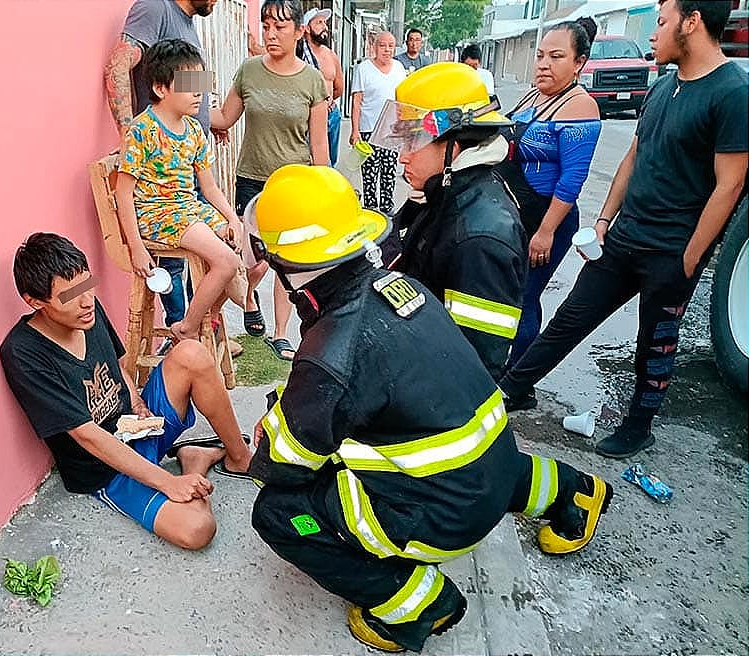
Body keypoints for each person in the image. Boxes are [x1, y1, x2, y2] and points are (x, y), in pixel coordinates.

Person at [242, 164, 613, 653]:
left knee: (278, 513)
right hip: (498, 467)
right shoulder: (401, 290)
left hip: (444, 516)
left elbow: (286, 463)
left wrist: (268, 435)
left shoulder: (331, 352)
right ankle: (574, 494)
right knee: (469, 455)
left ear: (281, 261)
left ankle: (415, 604)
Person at [499, 0, 748, 459]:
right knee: (569, 319)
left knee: (654, 344)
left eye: (661, 23)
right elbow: (634, 157)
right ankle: (511, 389)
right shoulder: (663, 86)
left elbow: (730, 185)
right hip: (623, 238)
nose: (653, 35)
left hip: (672, 250)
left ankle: (638, 425)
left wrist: (691, 258)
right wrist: (604, 219)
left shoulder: (733, 93)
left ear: (691, 23)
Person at [0, 233, 253, 549]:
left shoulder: (87, 310)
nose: (86, 300)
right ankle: (194, 460)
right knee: (197, 530)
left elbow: (117, 363)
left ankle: (240, 459)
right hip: (106, 468)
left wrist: (135, 399)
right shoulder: (23, 353)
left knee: (192, 353)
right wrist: (169, 482)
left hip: (136, 426)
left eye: (85, 284)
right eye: (70, 295)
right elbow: (86, 435)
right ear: (35, 301)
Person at [371, 62, 526, 381]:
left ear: (454, 144)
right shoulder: (443, 192)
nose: (402, 157)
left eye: (413, 142)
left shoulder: (481, 239)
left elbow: (473, 367)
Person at [105, 0, 235, 353]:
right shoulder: (155, 8)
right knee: (206, 263)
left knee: (240, 254)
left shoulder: (189, 24)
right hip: (162, 206)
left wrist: (210, 122)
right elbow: (117, 65)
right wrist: (128, 132)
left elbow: (196, 92)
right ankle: (186, 329)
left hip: (187, 188)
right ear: (162, 88)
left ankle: (206, 321)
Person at [211, 0, 329, 362]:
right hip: (251, 178)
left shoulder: (313, 80)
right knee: (252, 262)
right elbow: (223, 117)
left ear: (298, 31)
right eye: (266, 26)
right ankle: (248, 297)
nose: (271, 33)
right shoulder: (248, 71)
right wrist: (187, 98)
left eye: (280, 26)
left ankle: (281, 333)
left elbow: (319, 143)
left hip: (292, 184)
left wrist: (323, 189)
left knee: (287, 262)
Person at [500, 19, 602, 372]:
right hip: (518, 211)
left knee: (527, 297)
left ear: (579, 62)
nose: (543, 63)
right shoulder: (534, 95)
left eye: (556, 56)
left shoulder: (581, 107)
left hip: (548, 218)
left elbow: (573, 179)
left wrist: (545, 232)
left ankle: (518, 380)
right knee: (508, 294)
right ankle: (502, 368)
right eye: (540, 55)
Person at [349, 32, 407, 216]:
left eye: (391, 46)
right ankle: (371, 212)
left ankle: (387, 212)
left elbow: (402, 99)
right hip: (369, 130)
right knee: (370, 174)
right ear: (374, 46)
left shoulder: (399, 68)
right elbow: (357, 101)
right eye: (383, 45)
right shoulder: (364, 69)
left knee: (389, 174)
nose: (387, 50)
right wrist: (355, 130)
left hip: (391, 130)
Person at [298, 7, 344, 168]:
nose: (325, 26)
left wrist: (328, 103)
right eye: (319, 22)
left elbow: (339, 87)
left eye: (325, 22)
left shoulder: (331, 55)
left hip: (332, 115)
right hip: (310, 116)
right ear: (307, 28)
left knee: (332, 161)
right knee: (319, 163)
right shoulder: (299, 54)